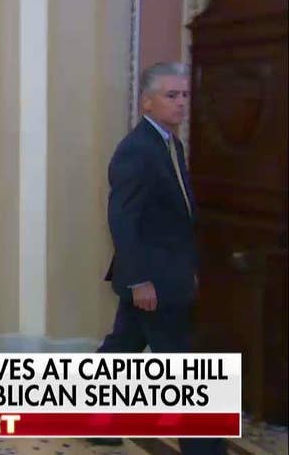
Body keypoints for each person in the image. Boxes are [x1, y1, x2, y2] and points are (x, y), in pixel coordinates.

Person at [97, 62, 225, 455]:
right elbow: (123, 219)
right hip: (151, 279)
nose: (182, 103)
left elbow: (176, 216)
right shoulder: (136, 150)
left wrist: (189, 268)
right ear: (146, 103)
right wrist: (139, 280)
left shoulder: (171, 143)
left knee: (122, 348)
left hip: (170, 272)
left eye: (185, 94)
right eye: (172, 95)